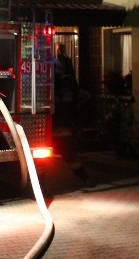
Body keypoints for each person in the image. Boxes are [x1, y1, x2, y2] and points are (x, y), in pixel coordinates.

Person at [53, 43, 94, 187]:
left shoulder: (53, 95)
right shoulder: (70, 92)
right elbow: (86, 96)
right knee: (70, 156)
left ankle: (41, 185)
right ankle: (86, 179)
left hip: (56, 130)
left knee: (43, 160)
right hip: (65, 130)